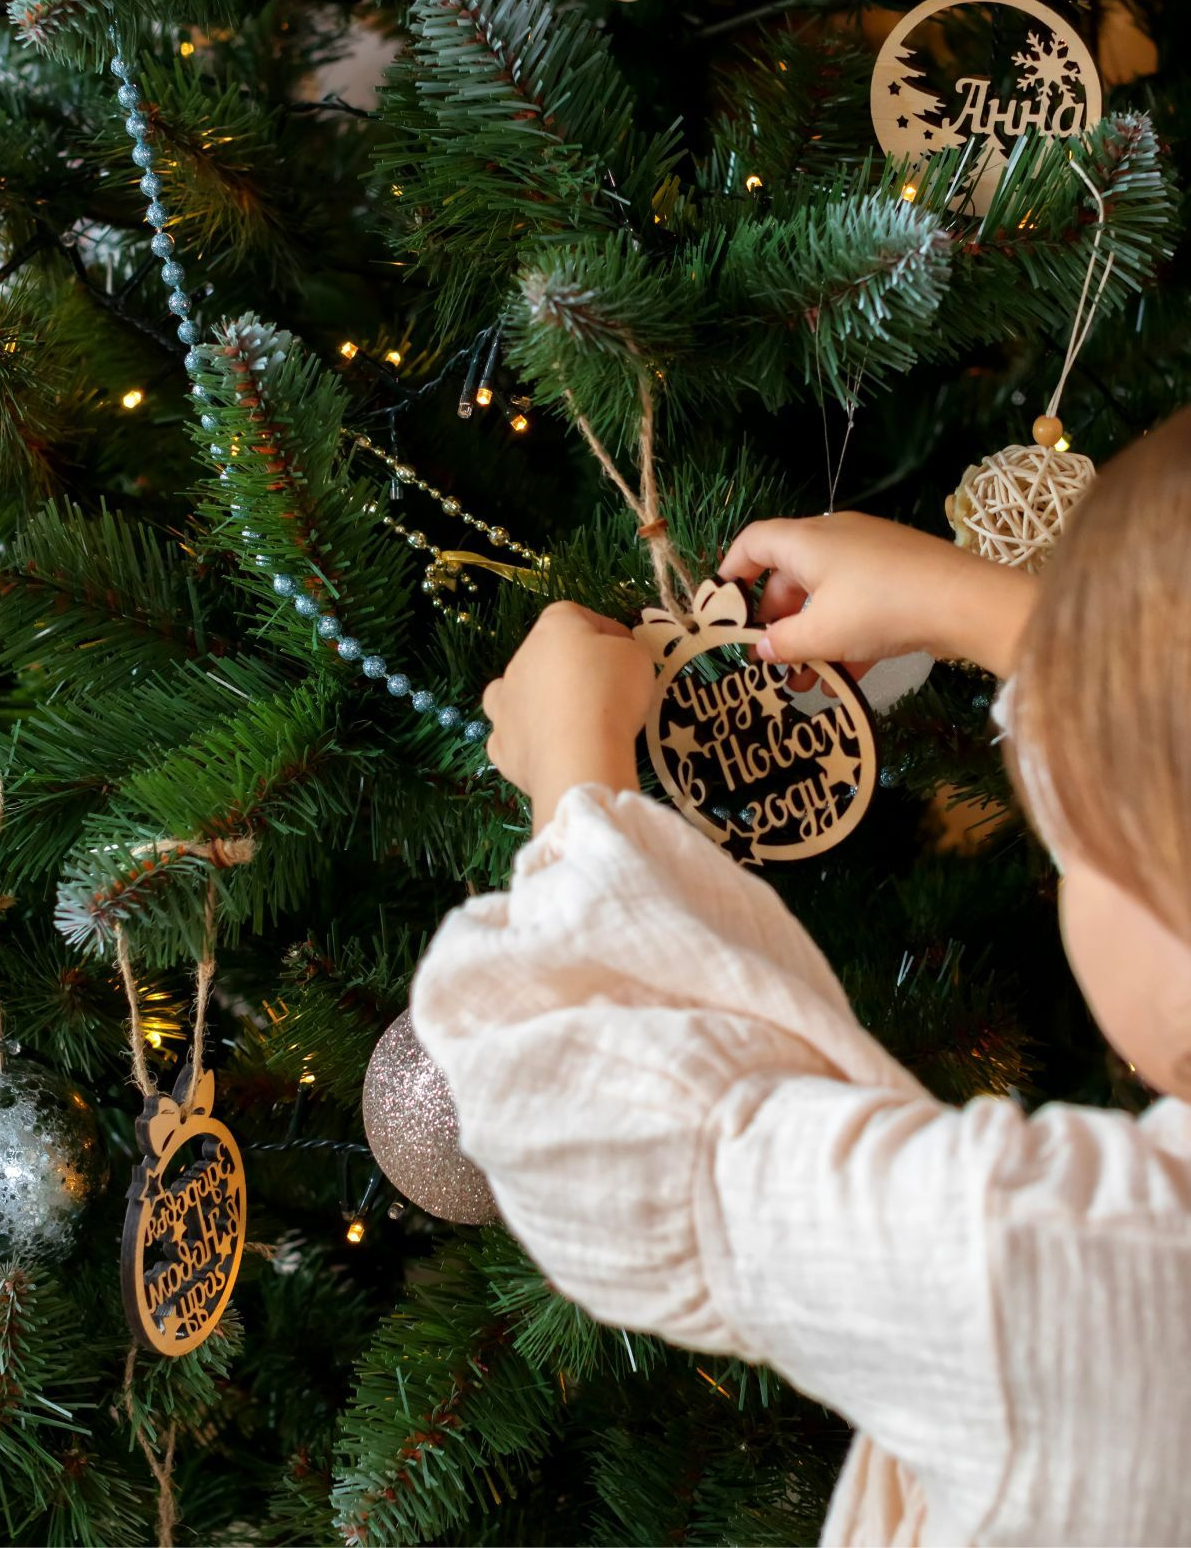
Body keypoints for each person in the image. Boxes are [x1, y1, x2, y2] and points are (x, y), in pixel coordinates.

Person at [410, 429, 1191, 1545]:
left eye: (1101, 809)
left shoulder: (1084, 1276)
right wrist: (977, 608)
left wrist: (573, 772)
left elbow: (678, 1143)